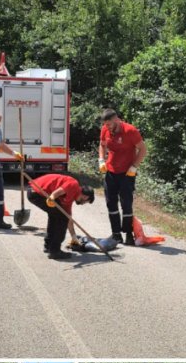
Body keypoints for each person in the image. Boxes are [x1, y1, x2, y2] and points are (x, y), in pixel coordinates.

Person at [98, 108, 147, 245]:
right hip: (111, 171)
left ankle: (128, 234)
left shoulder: (130, 131)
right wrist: (101, 159)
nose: (107, 127)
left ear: (116, 120)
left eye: (109, 124)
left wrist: (134, 166)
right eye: (105, 124)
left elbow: (143, 150)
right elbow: (102, 145)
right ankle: (116, 234)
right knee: (111, 203)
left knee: (126, 204)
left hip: (127, 173)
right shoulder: (105, 130)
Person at [26, 174, 94, 260]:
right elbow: (56, 193)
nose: (82, 204)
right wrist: (52, 197)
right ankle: (55, 251)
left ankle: (49, 246)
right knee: (61, 218)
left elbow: (68, 218)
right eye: (84, 202)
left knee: (57, 216)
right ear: (86, 196)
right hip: (37, 191)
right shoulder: (74, 184)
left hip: (36, 193)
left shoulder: (69, 200)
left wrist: (74, 237)